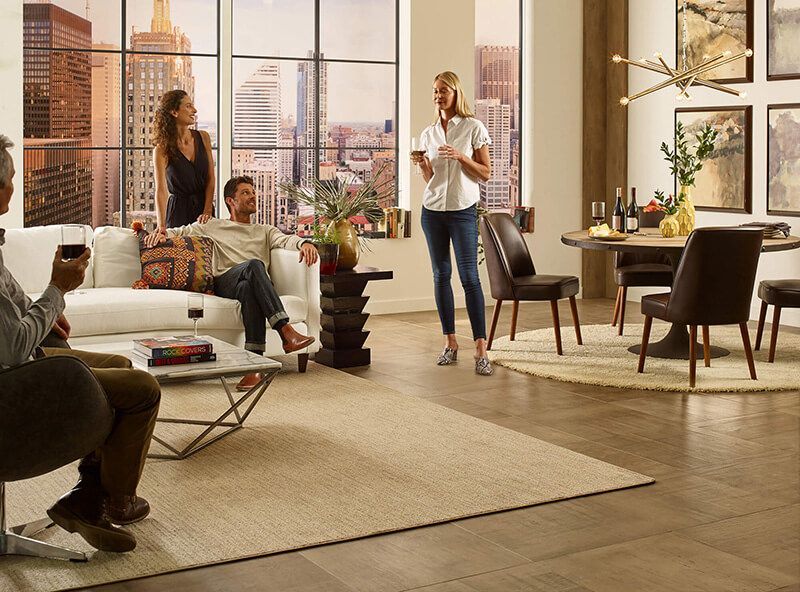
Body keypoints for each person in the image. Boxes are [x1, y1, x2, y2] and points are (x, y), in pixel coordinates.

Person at [0, 135, 160, 553]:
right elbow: (13, 348)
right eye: (12, 179)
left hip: (21, 365)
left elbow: (12, 301)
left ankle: (88, 496)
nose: (15, 186)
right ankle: (107, 501)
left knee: (121, 366)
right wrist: (57, 290)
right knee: (143, 391)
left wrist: (48, 307)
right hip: (12, 385)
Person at [145, 175, 319, 391]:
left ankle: (254, 368)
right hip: (225, 282)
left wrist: (305, 243)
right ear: (231, 201)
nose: (253, 196)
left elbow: (287, 239)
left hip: (251, 285)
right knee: (254, 265)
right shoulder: (213, 225)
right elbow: (181, 232)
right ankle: (285, 330)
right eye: (245, 193)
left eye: (253, 192)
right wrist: (160, 235)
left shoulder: (265, 230)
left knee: (249, 287)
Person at [411, 71, 494, 376]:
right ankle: (450, 343)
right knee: (440, 275)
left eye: (444, 90)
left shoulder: (473, 127)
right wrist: (423, 164)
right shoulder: (429, 133)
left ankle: (481, 349)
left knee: (469, 277)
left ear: (456, 93)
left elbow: (485, 173)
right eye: (435, 91)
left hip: (462, 210)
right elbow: (431, 179)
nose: (439, 96)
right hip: (432, 211)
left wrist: (460, 157)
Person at [153, 90, 216, 233]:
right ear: (174, 112)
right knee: (179, 247)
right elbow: (161, 190)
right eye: (188, 106)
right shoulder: (162, 149)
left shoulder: (203, 137)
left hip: (204, 212)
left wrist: (207, 210)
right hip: (177, 213)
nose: (194, 110)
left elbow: (211, 178)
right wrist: (161, 225)